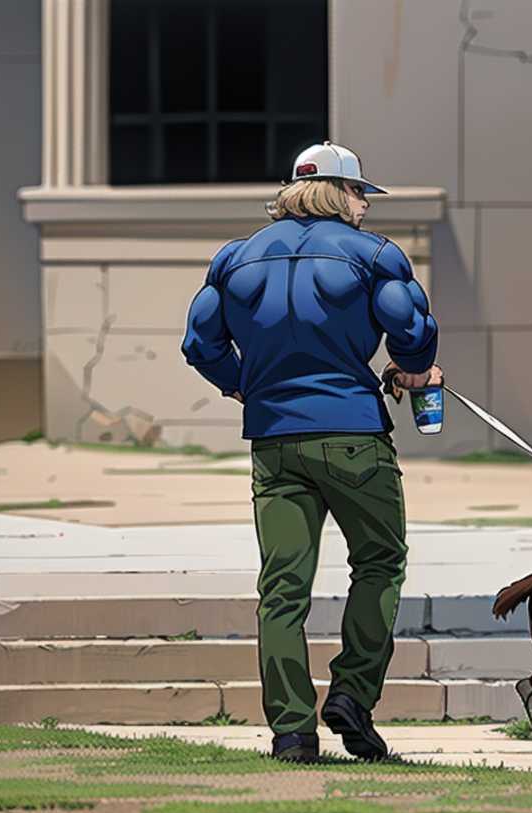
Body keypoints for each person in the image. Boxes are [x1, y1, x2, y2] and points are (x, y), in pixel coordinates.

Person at [181, 142, 441, 763]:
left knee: (282, 588)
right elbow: (411, 330)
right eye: (360, 195)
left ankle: (291, 731)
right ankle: (352, 693)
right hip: (353, 433)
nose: (363, 207)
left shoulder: (234, 259)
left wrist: (242, 384)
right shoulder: (374, 255)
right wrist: (413, 371)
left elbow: (199, 342)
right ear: (340, 193)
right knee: (379, 562)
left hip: (273, 441)